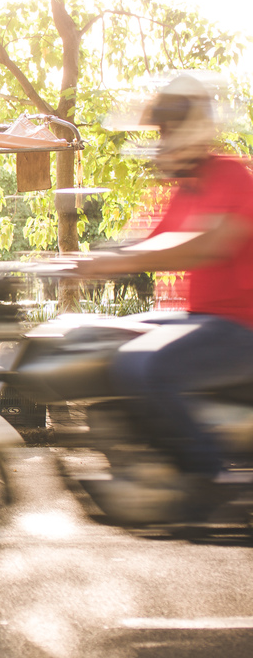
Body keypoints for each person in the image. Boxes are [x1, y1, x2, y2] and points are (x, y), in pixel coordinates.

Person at [81, 74, 253, 519]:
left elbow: (207, 244)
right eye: (160, 132)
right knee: (102, 338)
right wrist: (73, 261)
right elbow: (143, 241)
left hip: (240, 328)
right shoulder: (186, 190)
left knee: (145, 363)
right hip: (202, 319)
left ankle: (210, 476)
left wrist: (116, 262)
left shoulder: (232, 175)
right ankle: (147, 461)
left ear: (192, 127)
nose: (162, 141)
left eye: (168, 130)